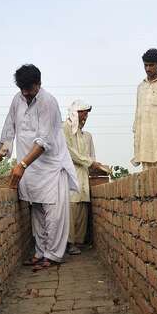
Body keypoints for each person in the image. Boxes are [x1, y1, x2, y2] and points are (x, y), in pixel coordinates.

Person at [0, 64, 78, 271]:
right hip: (30, 168)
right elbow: (10, 126)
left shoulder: (48, 102)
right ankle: (40, 252)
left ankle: (53, 255)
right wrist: (3, 149)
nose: (26, 95)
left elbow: (44, 141)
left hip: (50, 167)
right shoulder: (18, 99)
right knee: (37, 211)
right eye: (23, 90)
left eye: (29, 91)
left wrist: (22, 164)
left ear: (38, 85)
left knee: (54, 213)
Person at [63, 100, 107, 255]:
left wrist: (98, 167)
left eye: (87, 114)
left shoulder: (86, 135)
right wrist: (90, 162)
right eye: (83, 113)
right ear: (75, 113)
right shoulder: (64, 128)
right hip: (68, 174)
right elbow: (69, 152)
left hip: (83, 176)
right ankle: (69, 243)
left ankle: (78, 242)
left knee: (82, 208)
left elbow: (91, 157)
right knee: (70, 208)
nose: (85, 116)